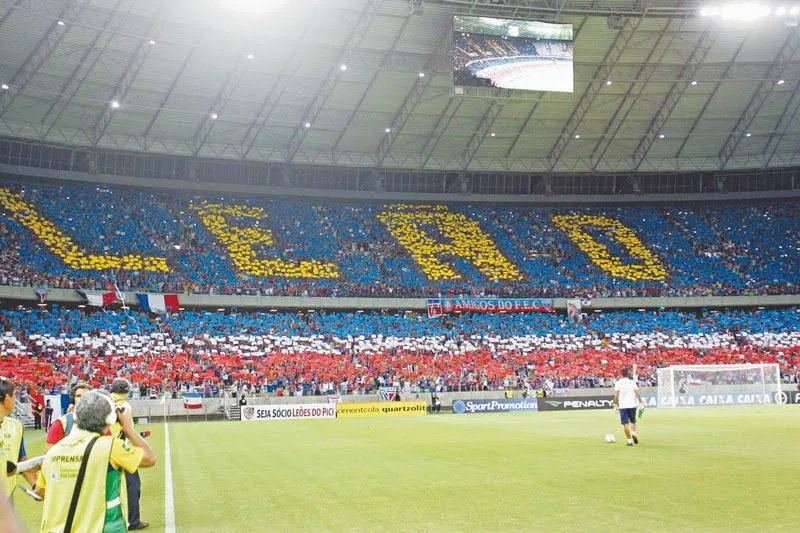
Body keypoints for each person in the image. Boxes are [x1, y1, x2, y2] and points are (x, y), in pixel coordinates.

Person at [34, 389, 156, 532]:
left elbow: (39, 492)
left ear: (76, 418)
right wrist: (128, 428)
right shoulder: (111, 447)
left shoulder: (53, 452)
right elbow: (149, 458)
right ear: (109, 419)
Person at [110, 378, 149, 530]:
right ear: (126, 391)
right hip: (121, 449)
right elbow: (128, 430)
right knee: (133, 486)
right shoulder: (125, 405)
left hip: (103, 448)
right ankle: (133, 520)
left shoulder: (105, 401)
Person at [0, 377, 39, 497]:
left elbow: (21, 459)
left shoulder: (16, 426)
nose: (15, 399)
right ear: (7, 398)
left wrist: (35, 485)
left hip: (6, 498)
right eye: (14, 395)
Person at [45, 381, 92, 451]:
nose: (83, 398)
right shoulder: (61, 423)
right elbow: (49, 452)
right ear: (73, 400)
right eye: (79, 396)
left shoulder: (102, 423)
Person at [613, 367, 644, 447]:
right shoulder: (632, 382)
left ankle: (629, 440)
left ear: (621, 374)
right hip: (632, 405)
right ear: (628, 374)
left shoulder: (618, 383)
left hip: (623, 406)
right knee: (633, 421)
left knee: (625, 423)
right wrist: (640, 402)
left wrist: (615, 404)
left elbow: (616, 395)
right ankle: (633, 433)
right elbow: (637, 392)